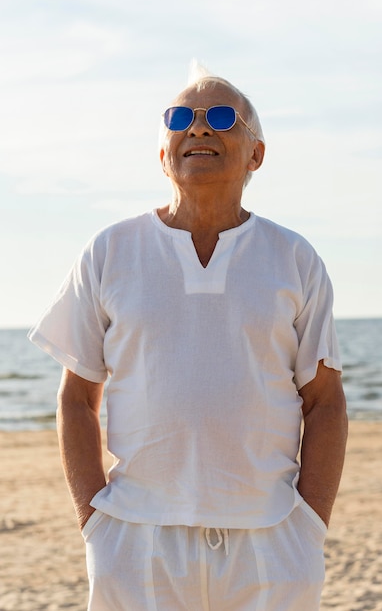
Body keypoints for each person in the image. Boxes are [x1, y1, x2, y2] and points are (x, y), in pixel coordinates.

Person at [29, 64, 348, 611]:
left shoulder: (294, 259)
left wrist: (308, 527)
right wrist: (95, 522)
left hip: (270, 539)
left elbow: (324, 402)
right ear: (161, 152)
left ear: (256, 154)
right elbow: (77, 399)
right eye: (181, 117)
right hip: (135, 539)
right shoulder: (109, 252)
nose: (199, 128)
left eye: (222, 117)